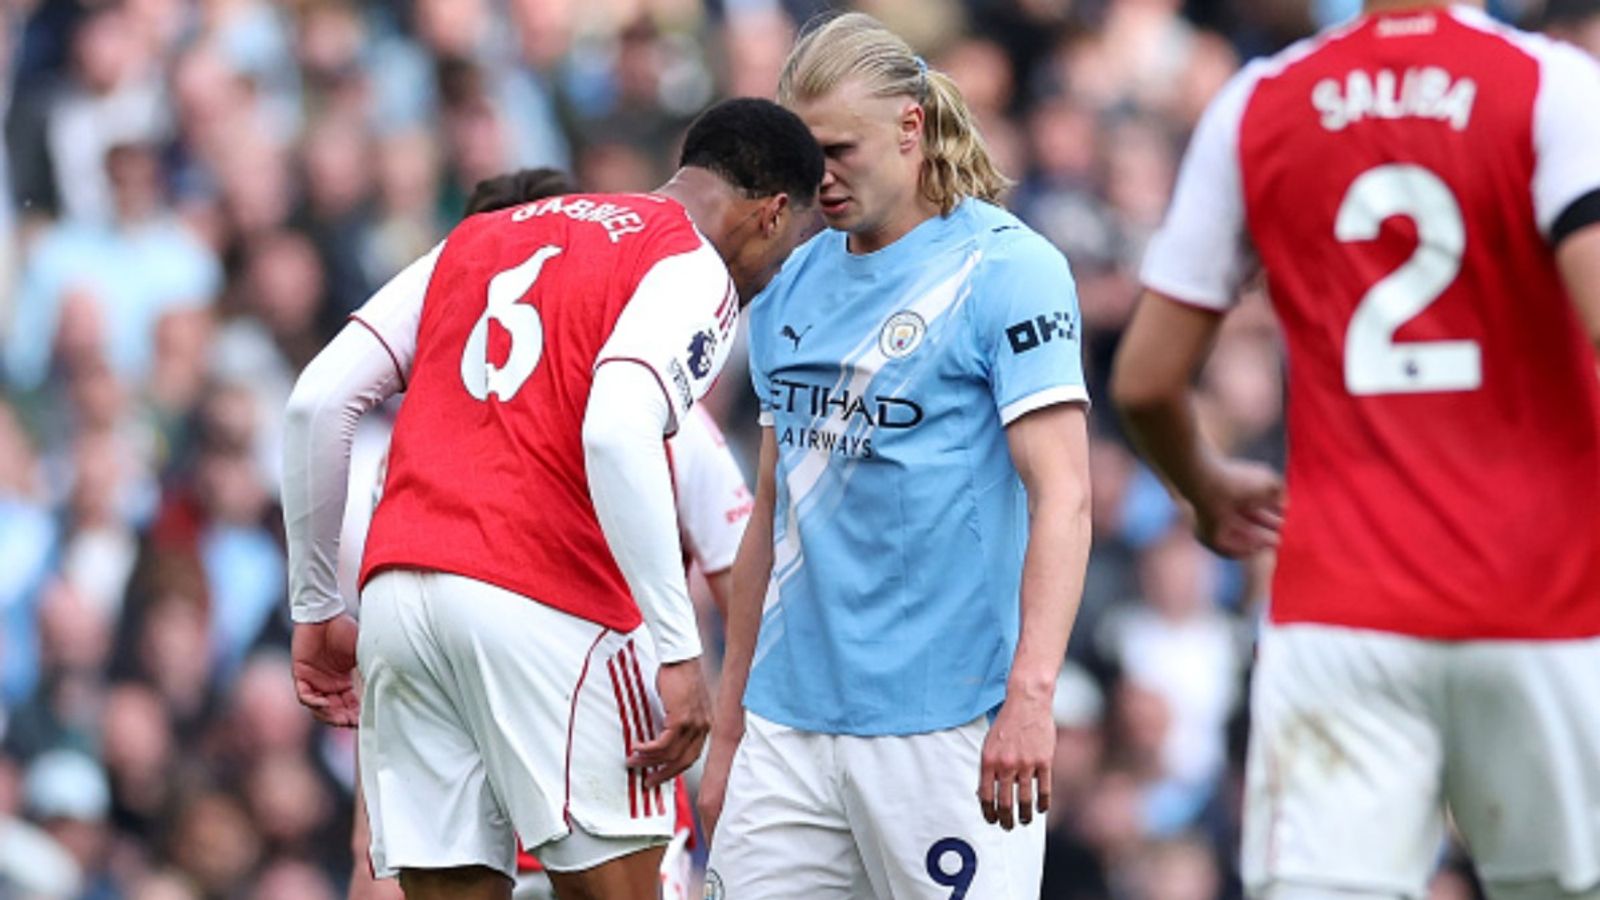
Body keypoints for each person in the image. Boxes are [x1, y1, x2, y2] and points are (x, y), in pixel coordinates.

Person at [1111, 0, 1600, 896]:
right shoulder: (1553, 88)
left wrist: (1205, 486)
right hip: (1543, 593)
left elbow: (1145, 380)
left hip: (1339, 602)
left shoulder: (1258, 103)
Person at [282, 98, 823, 900]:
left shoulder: (481, 234)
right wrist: (678, 652)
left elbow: (318, 401)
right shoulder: (690, 264)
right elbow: (616, 426)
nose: (772, 275)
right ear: (774, 215)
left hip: (399, 594)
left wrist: (317, 602)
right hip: (547, 602)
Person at [699, 13, 1093, 899]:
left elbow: (1063, 496)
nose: (818, 177)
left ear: (911, 128)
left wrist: (1031, 693)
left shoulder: (1008, 271)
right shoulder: (786, 279)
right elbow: (771, 511)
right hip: (786, 730)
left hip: (946, 726)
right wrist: (730, 731)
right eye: (803, 152)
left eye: (839, 148)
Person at [343, 168, 756, 900]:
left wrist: (734, 746)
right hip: (552, 768)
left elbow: (741, 584)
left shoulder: (672, 422)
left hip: (613, 770)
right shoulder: (414, 449)